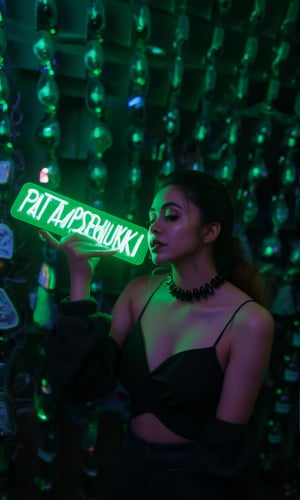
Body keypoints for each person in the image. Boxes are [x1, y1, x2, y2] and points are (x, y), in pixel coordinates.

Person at [41, 169, 274, 500]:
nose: (154, 227)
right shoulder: (139, 293)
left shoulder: (250, 321)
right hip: (128, 468)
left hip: (197, 481)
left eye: (171, 216)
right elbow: (82, 384)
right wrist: (81, 279)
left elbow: (226, 443)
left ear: (210, 231)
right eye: (152, 217)